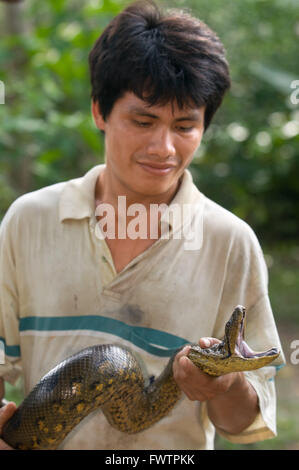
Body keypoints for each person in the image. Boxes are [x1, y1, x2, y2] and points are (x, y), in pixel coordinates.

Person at [0, 0, 284, 450]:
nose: (164, 147)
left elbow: (242, 424)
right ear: (100, 111)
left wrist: (223, 384)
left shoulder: (230, 243)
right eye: (143, 120)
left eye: (185, 125)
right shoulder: (29, 220)